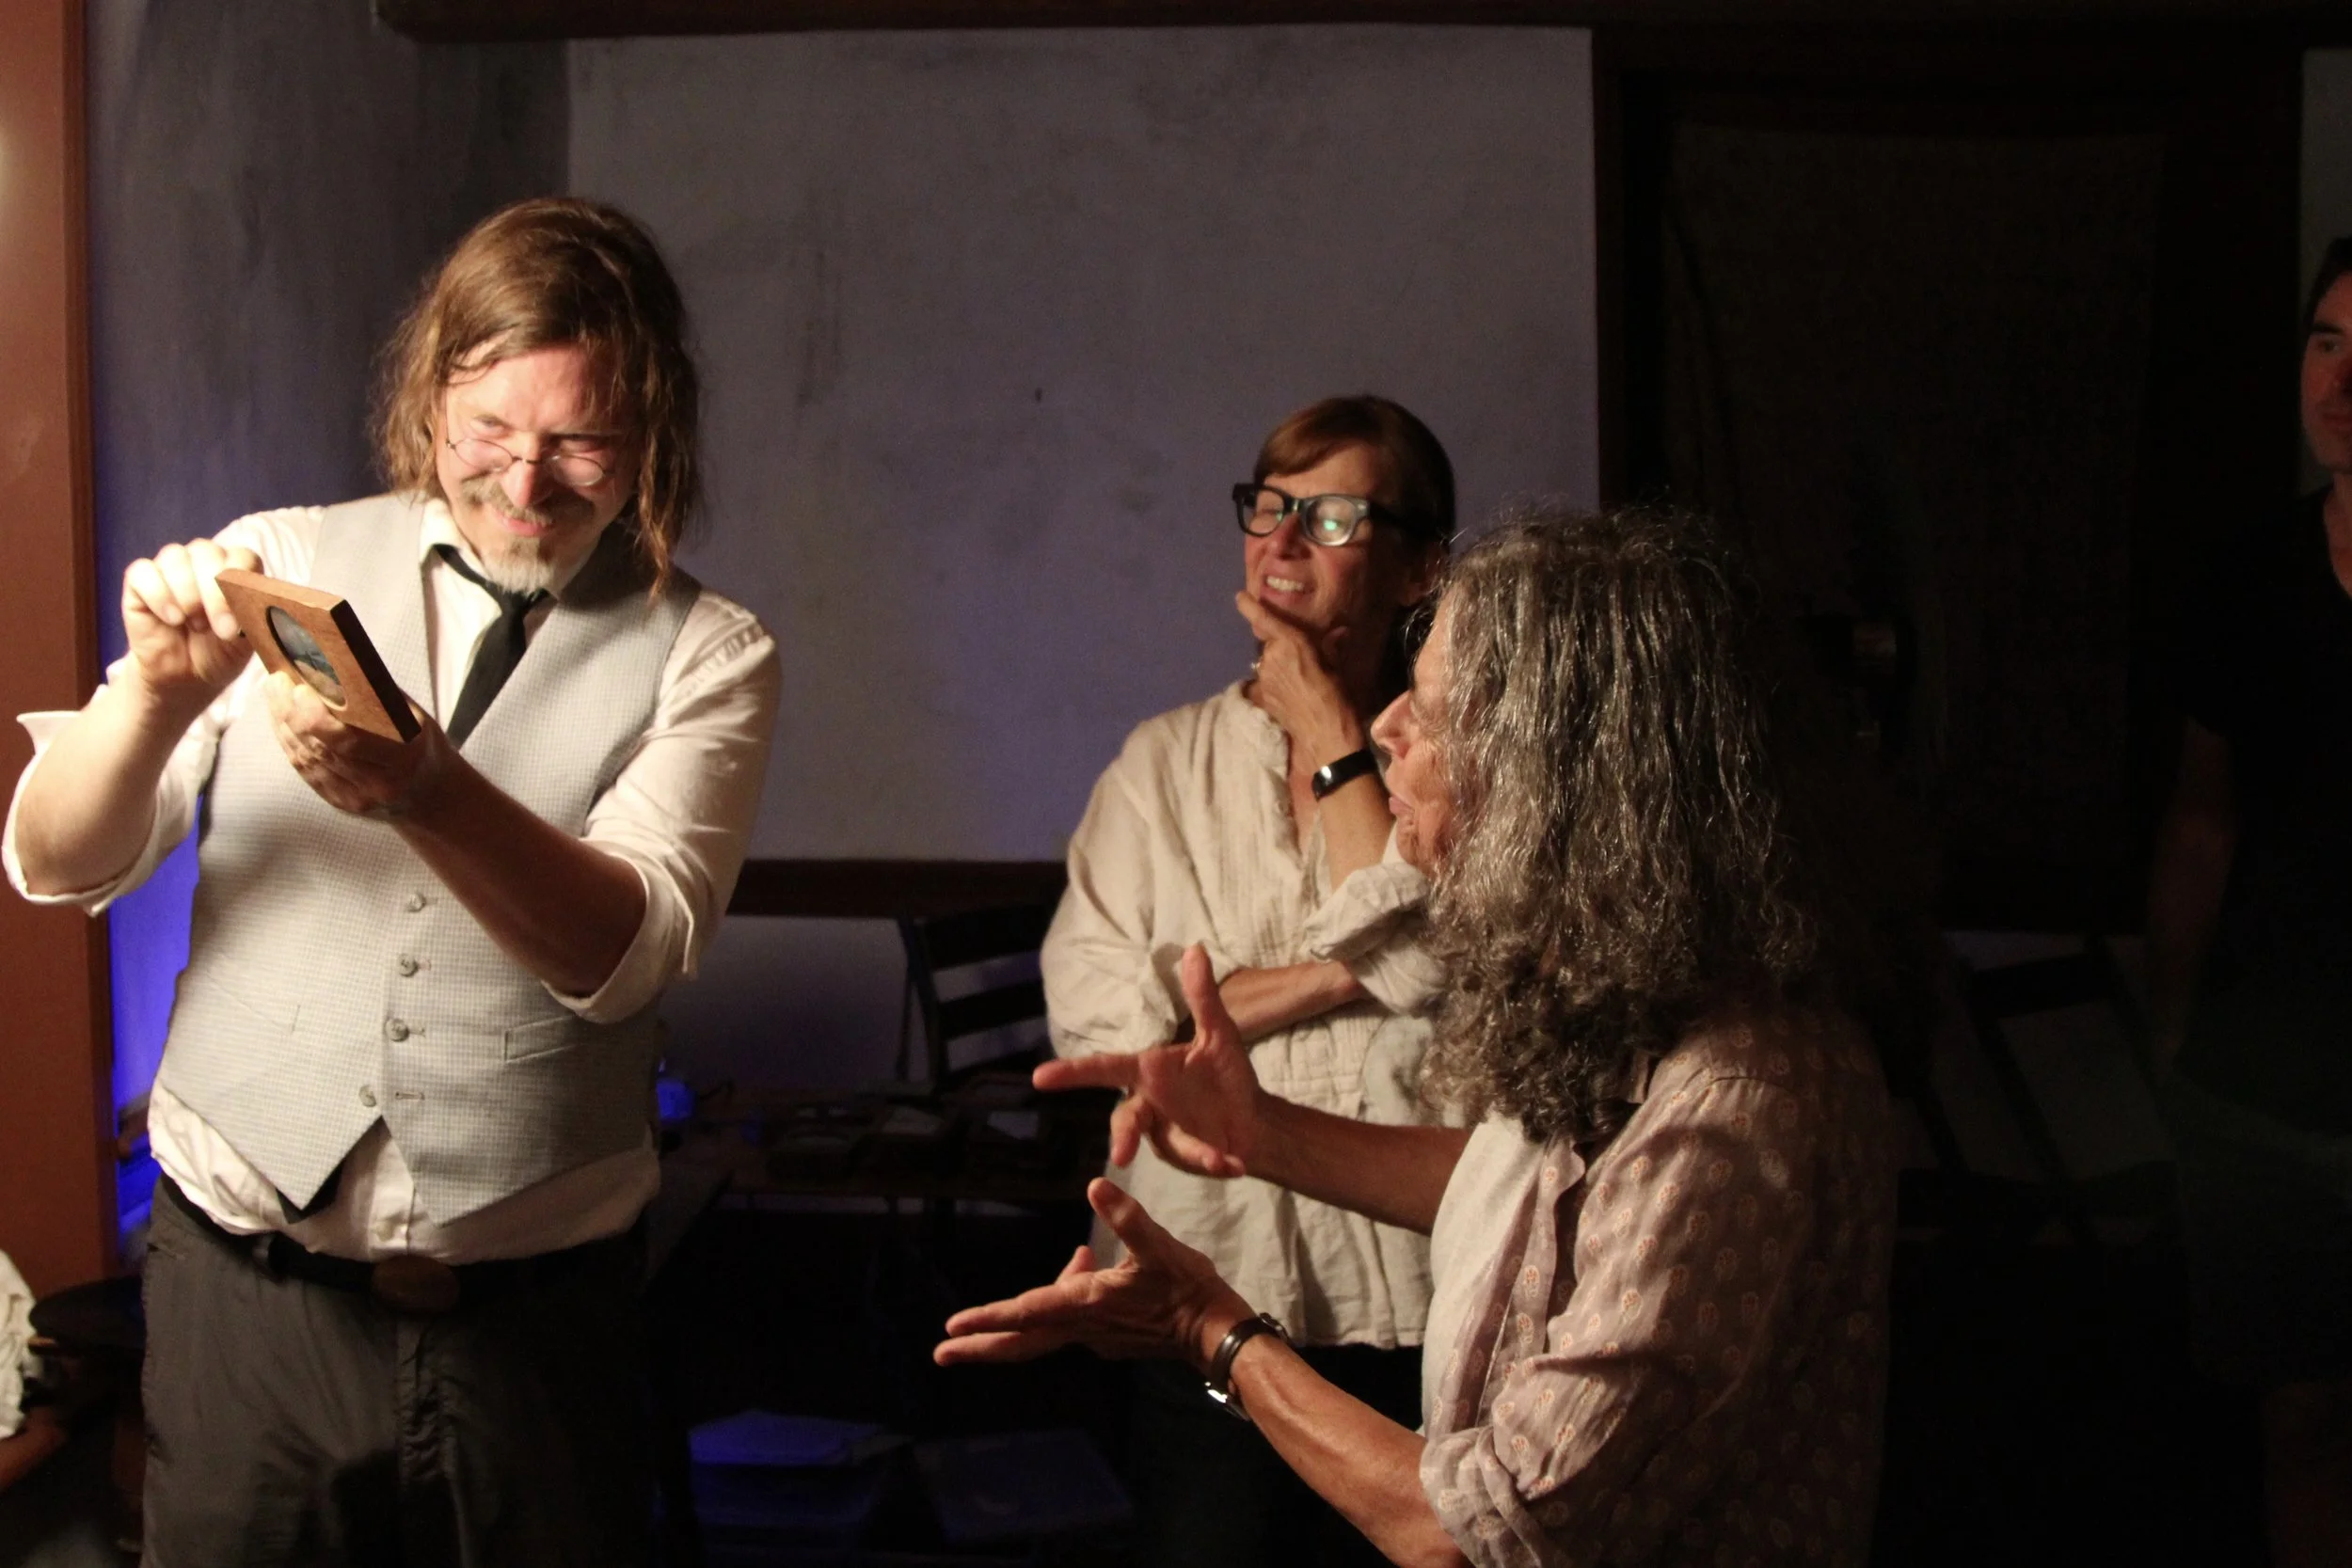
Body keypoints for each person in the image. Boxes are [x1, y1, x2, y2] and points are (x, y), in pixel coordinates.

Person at [3, 197, 780, 1566]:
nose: (525, 481)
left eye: (579, 439)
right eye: (489, 429)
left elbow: (632, 949)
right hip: (248, 1303)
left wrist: (427, 790)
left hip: (538, 1319)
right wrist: (153, 700)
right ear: (430, 402)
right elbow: (54, 864)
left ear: (651, 432)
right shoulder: (289, 561)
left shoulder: (711, 652)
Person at [947, 506, 1901, 1568]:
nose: (1389, 727)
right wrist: (1259, 1128)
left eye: (1437, 715)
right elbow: (1520, 1193)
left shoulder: (1738, 1099)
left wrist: (1208, 1329)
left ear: (1572, 785)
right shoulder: (1655, 997)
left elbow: (1475, 1528)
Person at [1040, 395, 1454, 1564]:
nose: (1279, 541)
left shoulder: (1468, 756)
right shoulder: (1160, 764)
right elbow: (1107, 1017)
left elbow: (1442, 965)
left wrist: (1332, 729)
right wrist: (1346, 971)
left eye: (1329, 516)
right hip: (1211, 1284)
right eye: (1267, 508)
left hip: (1437, 1295)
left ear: (1420, 564)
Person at [2147, 237, 2352, 1568]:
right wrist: (2173, 1030)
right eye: (2327, 341)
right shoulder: (2253, 575)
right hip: (2275, 1078)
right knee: (2304, 1410)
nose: (2345, 378)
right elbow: (2203, 817)